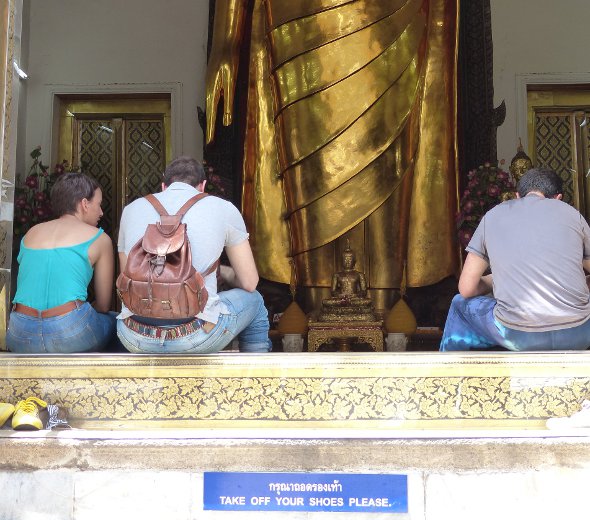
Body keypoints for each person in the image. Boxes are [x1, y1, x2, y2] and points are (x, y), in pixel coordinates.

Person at [206, 0, 460, 310]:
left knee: (387, 156)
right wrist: (226, 38)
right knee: (309, 170)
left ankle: (388, 304)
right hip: (299, 14)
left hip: (392, 12)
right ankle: (308, 303)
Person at [116, 156, 271, 354]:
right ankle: (255, 379)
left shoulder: (131, 209)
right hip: (195, 334)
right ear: (203, 186)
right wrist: (219, 271)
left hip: (134, 333)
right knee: (255, 301)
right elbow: (249, 282)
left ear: (164, 186)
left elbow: (127, 276)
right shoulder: (223, 208)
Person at [440, 168, 590, 352]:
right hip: (579, 332)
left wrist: (497, 279)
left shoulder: (493, 216)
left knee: (459, 305)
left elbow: (466, 288)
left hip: (517, 334)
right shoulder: (572, 214)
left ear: (517, 196)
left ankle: (455, 377)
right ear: (558, 198)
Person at [7, 172, 115, 353]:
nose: (101, 212)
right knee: (114, 321)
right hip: (70, 333)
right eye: (99, 204)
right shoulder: (100, 238)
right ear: (84, 204)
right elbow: (104, 305)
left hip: (19, 333)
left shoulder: (31, 233)